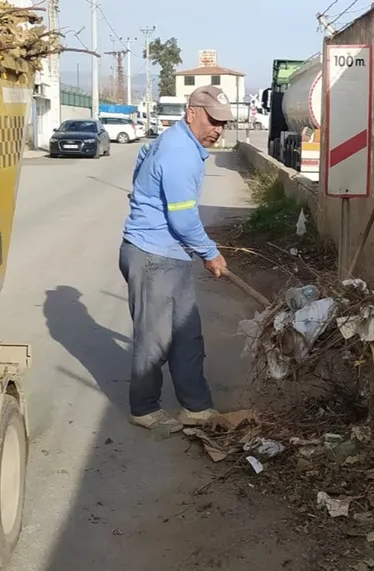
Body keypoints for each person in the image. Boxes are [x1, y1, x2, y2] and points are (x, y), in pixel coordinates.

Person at [119, 85, 233, 433]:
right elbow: (183, 220)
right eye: (213, 121)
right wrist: (211, 254)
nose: (218, 129)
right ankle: (144, 408)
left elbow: (140, 170)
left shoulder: (176, 143)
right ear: (192, 112)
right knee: (154, 337)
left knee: (186, 334)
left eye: (224, 123)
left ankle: (195, 407)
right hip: (152, 256)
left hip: (170, 255)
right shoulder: (179, 152)